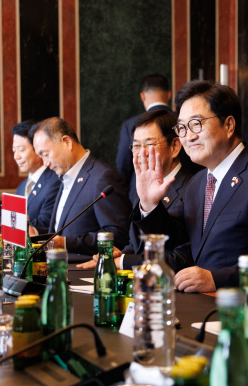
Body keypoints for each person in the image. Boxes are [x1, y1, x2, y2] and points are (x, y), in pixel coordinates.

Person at [134, 81, 248, 292]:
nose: (188, 136)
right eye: (182, 128)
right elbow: (177, 240)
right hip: (200, 307)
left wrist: (216, 279)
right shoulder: (198, 182)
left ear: (229, 125)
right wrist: (149, 204)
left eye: (196, 124)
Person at [78, 110, 194, 270]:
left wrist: (124, 261)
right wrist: (116, 255)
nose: (142, 153)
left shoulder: (193, 189)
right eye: (137, 146)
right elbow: (135, 244)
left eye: (149, 144)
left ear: (174, 146)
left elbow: (180, 254)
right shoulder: (142, 187)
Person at [31, 117, 131, 254]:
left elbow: (117, 234)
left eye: (46, 154)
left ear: (67, 142)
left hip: (85, 270)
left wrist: (67, 243)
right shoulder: (65, 175)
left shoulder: (103, 177)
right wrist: (35, 232)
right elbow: (65, 229)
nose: (45, 163)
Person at [116, 74, 173, 203]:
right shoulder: (181, 120)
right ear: (169, 94)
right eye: (136, 145)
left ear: (142, 96)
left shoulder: (129, 124)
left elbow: (123, 165)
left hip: (138, 195)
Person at [12, 120, 60, 234]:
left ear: (38, 149)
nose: (16, 156)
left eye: (21, 150)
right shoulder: (21, 186)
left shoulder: (55, 181)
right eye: (14, 150)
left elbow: (46, 223)